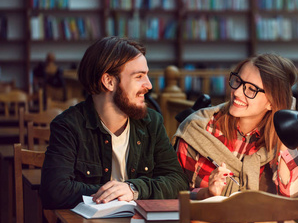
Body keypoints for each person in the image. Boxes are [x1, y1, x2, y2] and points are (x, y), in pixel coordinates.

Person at [40, 37, 189, 209]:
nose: (148, 85)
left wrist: (132, 188)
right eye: (139, 76)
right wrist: (114, 194)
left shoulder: (151, 122)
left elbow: (178, 181)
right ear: (109, 81)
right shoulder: (68, 126)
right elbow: (54, 191)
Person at [174, 53, 298, 200]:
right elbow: (177, 191)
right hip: (202, 220)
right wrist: (206, 193)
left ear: (271, 102)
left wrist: (283, 129)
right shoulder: (199, 128)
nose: (236, 92)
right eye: (238, 81)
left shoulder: (275, 138)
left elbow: (292, 193)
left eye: (251, 89)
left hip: (258, 220)